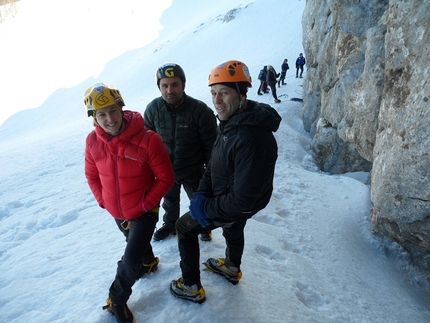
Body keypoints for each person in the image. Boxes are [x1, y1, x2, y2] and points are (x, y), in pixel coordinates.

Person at [169, 60, 281, 304]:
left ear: (242, 94)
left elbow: (242, 201)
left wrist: (205, 208)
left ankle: (190, 286)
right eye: (213, 93)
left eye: (224, 93)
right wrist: (202, 193)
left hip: (235, 203)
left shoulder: (252, 137)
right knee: (233, 227)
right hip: (229, 200)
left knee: (184, 228)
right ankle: (231, 268)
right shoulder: (232, 123)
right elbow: (215, 163)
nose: (217, 100)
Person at [84, 83, 175, 323]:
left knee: (130, 260)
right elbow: (92, 175)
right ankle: (149, 261)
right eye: (101, 114)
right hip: (117, 212)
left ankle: (117, 298)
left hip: (144, 211)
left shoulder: (148, 140)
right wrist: (103, 200)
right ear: (94, 117)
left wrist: (147, 205)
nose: (109, 119)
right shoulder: (92, 142)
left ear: (122, 109)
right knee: (135, 246)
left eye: (113, 111)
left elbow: (166, 178)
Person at [144, 63, 217, 242]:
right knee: (169, 201)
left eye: (174, 84)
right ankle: (171, 225)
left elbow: (212, 146)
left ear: (183, 85)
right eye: (165, 85)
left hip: (193, 169)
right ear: (159, 87)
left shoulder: (200, 111)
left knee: (199, 200)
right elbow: (146, 144)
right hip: (165, 171)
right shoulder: (153, 109)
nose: (170, 90)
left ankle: (203, 226)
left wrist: (212, 173)